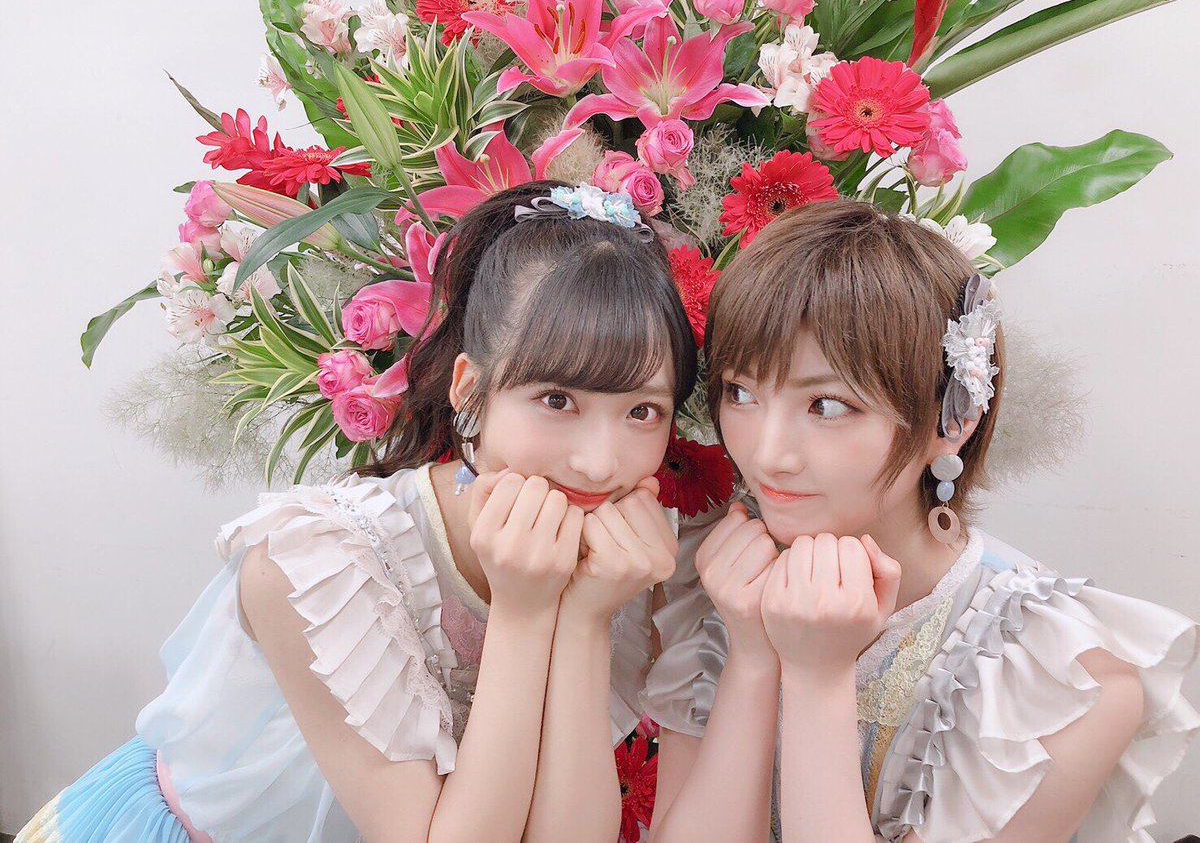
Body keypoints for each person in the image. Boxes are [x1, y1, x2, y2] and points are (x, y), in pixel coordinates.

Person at [20, 180, 697, 843]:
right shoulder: (317, 565)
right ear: (469, 388)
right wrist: (523, 613)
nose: (599, 464)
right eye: (557, 400)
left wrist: (584, 620)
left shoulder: (622, 564)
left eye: (642, 411)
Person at [644, 199, 1199, 842]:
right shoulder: (721, 584)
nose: (767, 453)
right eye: (741, 392)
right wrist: (751, 655)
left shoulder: (1059, 680)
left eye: (827, 405)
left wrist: (819, 680)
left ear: (953, 420)